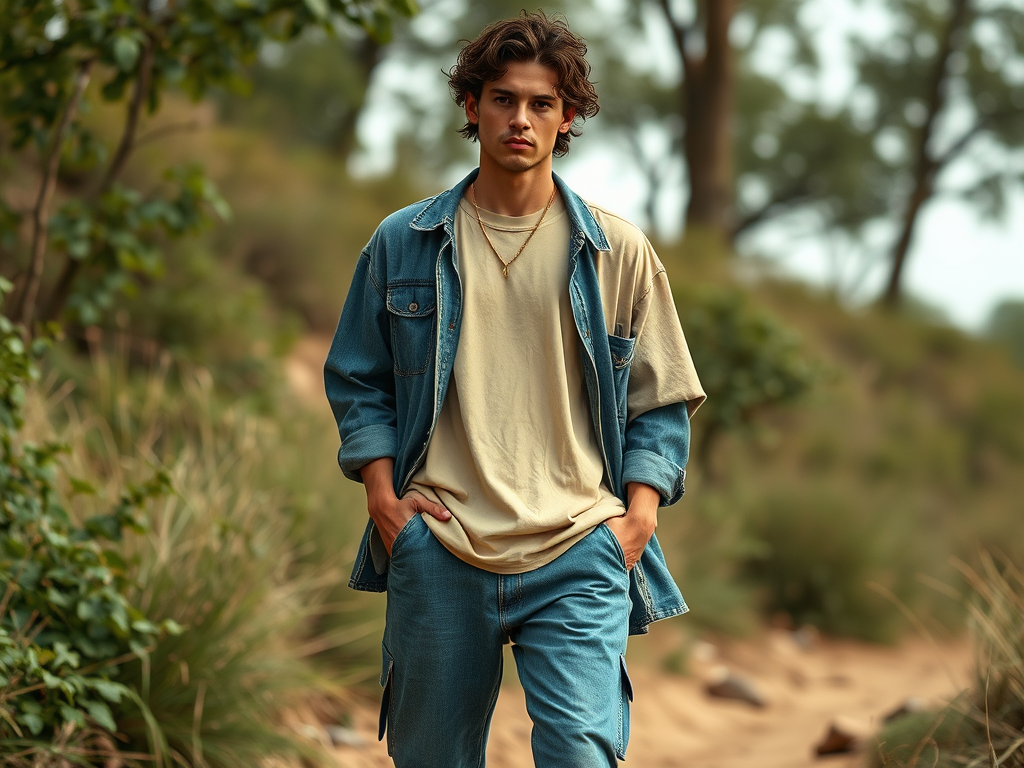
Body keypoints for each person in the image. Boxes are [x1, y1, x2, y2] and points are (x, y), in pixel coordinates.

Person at [324, 11, 705, 767]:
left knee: (580, 753)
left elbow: (660, 400)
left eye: (541, 103)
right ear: (472, 106)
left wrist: (636, 519)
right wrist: (383, 498)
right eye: (503, 99)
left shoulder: (618, 251)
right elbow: (359, 379)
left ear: (568, 118)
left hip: (580, 547)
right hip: (440, 544)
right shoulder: (403, 242)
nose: (520, 119)